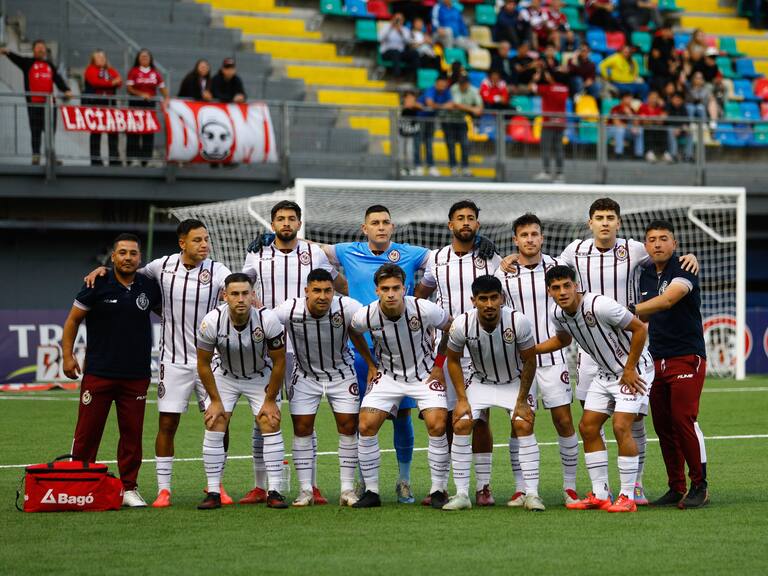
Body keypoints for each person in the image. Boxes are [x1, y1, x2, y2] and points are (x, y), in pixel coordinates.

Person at [500, 197, 698, 504]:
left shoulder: (633, 249)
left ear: (618, 222)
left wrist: (688, 257)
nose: (605, 222)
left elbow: (663, 255)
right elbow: (544, 265)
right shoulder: (574, 251)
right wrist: (510, 259)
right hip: (590, 354)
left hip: (627, 345)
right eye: (599, 217)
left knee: (631, 422)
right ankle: (601, 489)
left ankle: (635, 486)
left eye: (610, 217)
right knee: (591, 422)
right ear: (590, 223)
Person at [83, 219, 233, 507]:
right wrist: (102, 269)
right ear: (182, 243)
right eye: (197, 240)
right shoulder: (161, 266)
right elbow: (125, 272)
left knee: (219, 421)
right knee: (167, 422)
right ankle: (164, 490)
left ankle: (217, 485)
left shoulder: (217, 271)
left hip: (210, 359)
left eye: (206, 239)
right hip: (173, 360)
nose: (204, 245)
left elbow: (238, 282)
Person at [242, 200, 344, 505]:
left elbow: (336, 284)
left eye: (291, 219)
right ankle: (261, 485)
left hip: (304, 345)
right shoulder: (257, 252)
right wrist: (260, 311)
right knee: (263, 413)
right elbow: (243, 285)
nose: (286, 223)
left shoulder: (313, 253)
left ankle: (309, 485)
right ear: (272, 224)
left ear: (299, 224)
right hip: (267, 346)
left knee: (304, 417)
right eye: (280, 219)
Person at [537, 265, 655, 513]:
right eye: (556, 288)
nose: (562, 292)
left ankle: (626, 496)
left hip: (633, 371)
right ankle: (600, 495)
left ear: (576, 285)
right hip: (605, 374)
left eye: (567, 285)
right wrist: (531, 351)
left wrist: (630, 368)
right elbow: (564, 340)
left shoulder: (599, 305)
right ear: (549, 291)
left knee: (622, 425)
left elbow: (639, 328)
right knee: (588, 427)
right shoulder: (557, 313)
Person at [62, 233, 161, 508]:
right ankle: (79, 485)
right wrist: (67, 356)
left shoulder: (149, 286)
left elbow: (173, 315)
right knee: (87, 432)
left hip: (136, 376)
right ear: (113, 256)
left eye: (133, 253)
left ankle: (129, 488)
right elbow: (72, 321)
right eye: (122, 253)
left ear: (140, 258)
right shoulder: (96, 283)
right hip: (99, 373)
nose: (128, 257)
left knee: (132, 435)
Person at [415, 200, 502, 506]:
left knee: (478, 419)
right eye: (460, 218)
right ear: (450, 225)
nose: (466, 222)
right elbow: (422, 292)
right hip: (447, 349)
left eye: (471, 219)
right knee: (448, 418)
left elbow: (508, 286)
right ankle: (441, 486)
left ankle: (484, 486)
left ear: (478, 225)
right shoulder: (436, 259)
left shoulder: (491, 258)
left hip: (482, 349)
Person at [349, 263, 454, 508]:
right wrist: (370, 363)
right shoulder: (366, 315)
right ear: (377, 291)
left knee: (438, 424)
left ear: (404, 287)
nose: (391, 293)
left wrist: (439, 364)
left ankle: (438, 489)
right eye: (385, 288)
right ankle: (372, 492)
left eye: (396, 288)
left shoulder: (423, 308)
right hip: (386, 376)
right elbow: (353, 331)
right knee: (365, 425)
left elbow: (451, 326)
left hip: (424, 375)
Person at [494, 214, 580, 507]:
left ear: (542, 238)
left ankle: (570, 488)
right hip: (519, 361)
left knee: (563, 419)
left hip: (554, 357)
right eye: (524, 235)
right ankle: (522, 489)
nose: (530, 239)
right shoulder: (503, 273)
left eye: (534, 234)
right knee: (520, 422)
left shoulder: (558, 268)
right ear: (515, 240)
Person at [443, 275, 541, 511]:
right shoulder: (461, 324)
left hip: (515, 381)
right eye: (483, 299)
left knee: (523, 424)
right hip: (480, 381)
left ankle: (532, 494)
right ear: (473, 300)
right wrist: (462, 400)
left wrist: (521, 401)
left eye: (493, 298)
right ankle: (462, 494)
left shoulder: (519, 322)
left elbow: (530, 361)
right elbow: (453, 361)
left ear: (502, 298)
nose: (489, 304)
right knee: (461, 423)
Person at [274, 269, 370, 507]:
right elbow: (265, 324)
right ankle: (305, 490)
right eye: (316, 290)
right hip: (305, 375)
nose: (323, 296)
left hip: (341, 374)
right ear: (306, 291)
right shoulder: (289, 309)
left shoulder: (347, 307)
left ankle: (347, 489)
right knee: (302, 428)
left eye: (328, 291)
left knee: (348, 427)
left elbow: (372, 320)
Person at [195, 273, 288, 510]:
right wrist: (215, 401)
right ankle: (213, 491)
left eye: (245, 293)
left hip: (260, 376)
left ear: (253, 295)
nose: (240, 299)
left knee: (270, 420)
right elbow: (203, 364)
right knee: (215, 420)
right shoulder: (211, 321)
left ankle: (274, 490)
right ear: (225, 296)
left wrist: (269, 401)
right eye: (234, 294)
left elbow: (279, 363)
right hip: (225, 376)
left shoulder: (268, 320)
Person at [634, 220, 709, 509]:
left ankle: (700, 485)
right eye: (651, 239)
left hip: (686, 356)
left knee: (683, 419)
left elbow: (667, 301)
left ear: (675, 244)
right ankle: (676, 487)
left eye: (663, 238)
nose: (657, 244)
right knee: (663, 425)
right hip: (656, 360)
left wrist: (626, 311)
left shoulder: (684, 268)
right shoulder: (643, 274)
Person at [1, 40, 72, 165]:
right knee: (35, 130)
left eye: (43, 48)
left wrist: (66, 89)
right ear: (33, 50)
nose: (41, 50)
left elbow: (58, 79)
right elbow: (16, 58)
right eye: (38, 47)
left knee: (50, 132)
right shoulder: (27, 63)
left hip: (50, 104)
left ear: (45, 50)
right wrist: (7, 52)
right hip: (34, 103)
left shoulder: (50, 65)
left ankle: (51, 157)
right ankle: (36, 156)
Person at [126, 49, 168, 166]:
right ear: (138, 58)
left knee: (148, 131)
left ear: (150, 59)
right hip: (135, 104)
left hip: (150, 105)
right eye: (142, 56)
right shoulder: (133, 71)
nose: (144, 58)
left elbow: (162, 88)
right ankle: (131, 157)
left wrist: (167, 98)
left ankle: (145, 159)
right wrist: (141, 94)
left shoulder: (155, 73)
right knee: (134, 130)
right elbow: (129, 88)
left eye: (146, 57)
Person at [83, 49, 122, 167]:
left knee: (113, 132)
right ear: (93, 59)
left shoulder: (110, 70)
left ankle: (114, 159)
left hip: (110, 104)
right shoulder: (90, 70)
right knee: (96, 132)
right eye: (98, 57)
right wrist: (111, 83)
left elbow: (119, 81)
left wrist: (111, 82)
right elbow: (95, 82)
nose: (101, 59)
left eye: (103, 57)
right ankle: (95, 160)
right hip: (96, 103)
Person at [532, 64, 569, 183]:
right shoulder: (565, 88)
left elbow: (532, 87)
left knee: (546, 148)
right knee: (559, 149)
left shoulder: (546, 88)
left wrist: (535, 78)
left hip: (548, 123)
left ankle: (546, 172)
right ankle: (560, 174)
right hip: (560, 123)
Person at [446, 74, 483, 176]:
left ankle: (465, 167)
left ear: (468, 83)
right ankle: (453, 167)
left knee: (465, 144)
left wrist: (474, 109)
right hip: (450, 120)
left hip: (462, 121)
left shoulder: (474, 90)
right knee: (451, 145)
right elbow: (456, 104)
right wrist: (471, 109)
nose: (461, 86)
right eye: (460, 83)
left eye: (464, 84)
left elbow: (479, 108)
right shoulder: (454, 88)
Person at [419, 75, 452, 177]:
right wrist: (442, 107)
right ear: (436, 83)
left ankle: (430, 166)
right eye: (440, 83)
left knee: (429, 143)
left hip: (431, 120)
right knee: (418, 143)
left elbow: (451, 104)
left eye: (444, 84)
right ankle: (418, 166)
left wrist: (437, 107)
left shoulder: (446, 91)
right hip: (419, 119)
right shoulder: (431, 90)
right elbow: (429, 103)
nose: (442, 86)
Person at [379, 12, 418, 78]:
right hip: (387, 52)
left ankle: (411, 75)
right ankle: (396, 76)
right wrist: (391, 27)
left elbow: (409, 42)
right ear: (393, 19)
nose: (398, 21)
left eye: (400, 19)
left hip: (400, 53)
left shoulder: (405, 30)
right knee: (395, 52)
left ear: (403, 21)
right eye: (397, 19)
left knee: (414, 53)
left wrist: (400, 32)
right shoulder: (386, 27)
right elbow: (379, 38)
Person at [607, 92, 644, 159]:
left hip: (625, 130)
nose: (630, 100)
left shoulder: (632, 109)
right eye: (628, 98)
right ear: (622, 99)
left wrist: (630, 115)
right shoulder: (616, 108)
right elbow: (617, 123)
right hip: (611, 130)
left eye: (631, 98)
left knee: (639, 130)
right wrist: (630, 127)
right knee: (620, 130)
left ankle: (639, 154)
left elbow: (637, 124)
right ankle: (618, 153)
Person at [638, 89, 671, 163]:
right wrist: (655, 119)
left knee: (663, 129)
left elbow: (661, 121)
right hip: (646, 128)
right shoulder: (643, 107)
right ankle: (649, 153)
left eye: (655, 98)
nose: (653, 100)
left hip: (657, 128)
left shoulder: (659, 108)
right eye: (652, 97)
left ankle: (665, 153)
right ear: (648, 98)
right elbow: (644, 122)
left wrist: (652, 119)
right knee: (650, 128)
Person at [399, 90, 423, 175]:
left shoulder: (416, 106)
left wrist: (413, 104)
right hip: (402, 132)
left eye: (411, 98)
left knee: (410, 151)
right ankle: (402, 168)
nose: (409, 99)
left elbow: (421, 107)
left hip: (412, 133)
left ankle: (411, 168)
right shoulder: (401, 106)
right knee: (401, 151)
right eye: (408, 98)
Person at [665, 91, 694, 162]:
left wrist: (682, 128)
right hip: (671, 129)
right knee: (671, 130)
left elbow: (687, 121)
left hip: (680, 129)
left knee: (690, 132)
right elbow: (668, 121)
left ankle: (688, 155)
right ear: (672, 100)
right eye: (675, 99)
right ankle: (673, 154)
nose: (677, 101)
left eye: (678, 99)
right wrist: (677, 128)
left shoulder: (683, 108)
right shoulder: (668, 107)